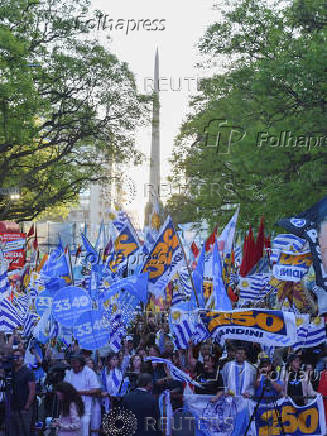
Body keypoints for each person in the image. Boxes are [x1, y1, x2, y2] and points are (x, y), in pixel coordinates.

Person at [64, 354, 101, 436]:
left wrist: (78, 393)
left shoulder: (89, 373)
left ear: (82, 365)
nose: (75, 368)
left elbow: (97, 390)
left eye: (77, 366)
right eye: (73, 366)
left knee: (84, 431)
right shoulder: (69, 373)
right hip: (71, 408)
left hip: (85, 409)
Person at [10, 348, 36, 436]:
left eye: (19, 356)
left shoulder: (28, 372)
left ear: (23, 357)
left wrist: (27, 406)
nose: (17, 358)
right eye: (15, 356)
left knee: (24, 432)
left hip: (24, 409)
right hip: (13, 408)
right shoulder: (11, 372)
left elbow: (32, 391)